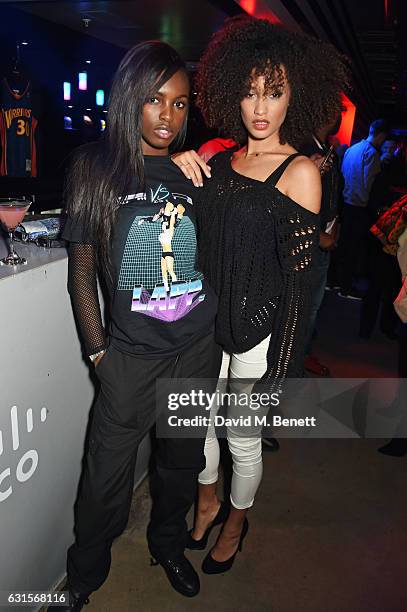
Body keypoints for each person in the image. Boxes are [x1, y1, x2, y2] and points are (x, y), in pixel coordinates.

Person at [172, 16, 349, 574]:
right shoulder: (219, 162)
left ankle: (237, 518)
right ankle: (206, 497)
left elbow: (299, 286)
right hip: (206, 324)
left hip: (259, 332)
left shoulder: (301, 173)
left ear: (294, 94)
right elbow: (188, 234)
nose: (260, 106)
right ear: (231, 92)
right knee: (198, 428)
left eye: (274, 92)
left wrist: (282, 365)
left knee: (241, 439)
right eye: (249, 91)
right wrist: (181, 167)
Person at [50, 41, 221, 611]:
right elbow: (82, 275)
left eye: (179, 103)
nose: (168, 116)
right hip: (129, 360)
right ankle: (84, 578)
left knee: (179, 466)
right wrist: (100, 355)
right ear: (130, 99)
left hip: (193, 351)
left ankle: (168, 547)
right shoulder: (94, 167)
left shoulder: (193, 171)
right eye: (154, 100)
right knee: (103, 483)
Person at [338, 119, 390, 300]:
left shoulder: (352, 149)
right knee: (353, 250)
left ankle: (335, 282)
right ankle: (346, 288)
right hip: (359, 207)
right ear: (381, 135)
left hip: (344, 203)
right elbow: (368, 183)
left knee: (343, 246)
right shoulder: (371, 154)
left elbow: (343, 174)